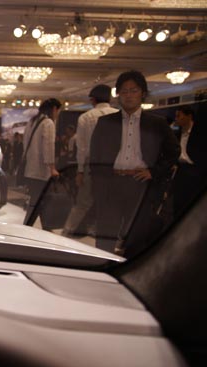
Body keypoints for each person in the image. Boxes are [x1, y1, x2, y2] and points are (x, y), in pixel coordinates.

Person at [90, 70, 180, 257]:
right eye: (124, 91)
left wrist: (154, 172)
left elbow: (174, 151)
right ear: (118, 95)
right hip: (111, 183)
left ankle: (131, 270)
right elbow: (95, 155)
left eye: (133, 91)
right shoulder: (106, 122)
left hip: (140, 185)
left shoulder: (156, 123)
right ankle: (102, 268)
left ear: (143, 93)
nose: (129, 95)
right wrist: (99, 184)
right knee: (106, 235)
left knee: (137, 236)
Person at [62, 84, 118, 237]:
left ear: (93, 99)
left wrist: (80, 171)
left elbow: (82, 148)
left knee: (83, 202)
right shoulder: (118, 115)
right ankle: (110, 235)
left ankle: (67, 232)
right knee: (111, 202)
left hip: (92, 164)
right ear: (110, 97)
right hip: (116, 165)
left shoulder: (86, 117)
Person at [22, 98, 61, 227]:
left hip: (30, 169)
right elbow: (48, 147)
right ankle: (38, 226)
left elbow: (25, 144)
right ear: (54, 109)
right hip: (42, 171)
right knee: (41, 201)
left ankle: (33, 225)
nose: (57, 114)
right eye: (57, 111)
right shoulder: (48, 123)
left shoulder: (31, 122)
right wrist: (52, 168)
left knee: (36, 201)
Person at [172, 105, 207, 218]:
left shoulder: (200, 133)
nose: (176, 119)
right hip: (181, 171)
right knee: (178, 203)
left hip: (197, 171)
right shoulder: (176, 134)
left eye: (179, 116)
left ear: (189, 116)